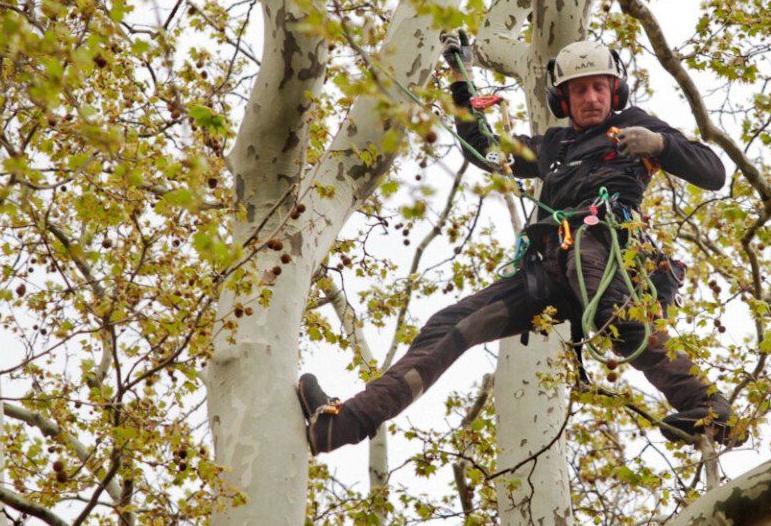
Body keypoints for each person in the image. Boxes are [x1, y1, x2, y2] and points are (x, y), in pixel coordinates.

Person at [297, 39, 736, 454]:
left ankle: (711, 408)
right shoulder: (556, 145)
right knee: (450, 324)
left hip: (602, 244)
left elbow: (713, 172)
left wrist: (660, 143)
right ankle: (345, 423)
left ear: (614, 91)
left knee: (611, 310)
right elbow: (484, 149)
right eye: (579, 90)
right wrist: (459, 79)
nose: (590, 99)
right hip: (547, 270)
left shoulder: (636, 123)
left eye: (599, 88)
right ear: (562, 100)